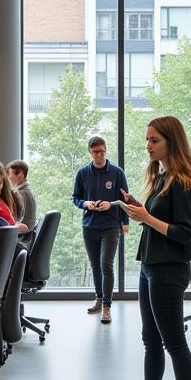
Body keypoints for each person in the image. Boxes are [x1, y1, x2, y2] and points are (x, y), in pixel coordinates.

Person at [117, 116, 191, 380]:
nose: (148, 146)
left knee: (174, 343)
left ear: (171, 142)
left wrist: (146, 217)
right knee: (150, 339)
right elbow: (160, 220)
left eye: (154, 140)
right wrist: (141, 209)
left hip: (168, 269)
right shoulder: (163, 177)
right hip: (151, 265)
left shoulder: (181, 181)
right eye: (148, 140)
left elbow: (184, 233)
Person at [72, 136, 129, 324]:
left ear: (106, 151)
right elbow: (76, 198)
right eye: (95, 152)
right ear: (90, 152)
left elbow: (125, 200)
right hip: (89, 225)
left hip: (111, 225)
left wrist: (111, 206)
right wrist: (86, 204)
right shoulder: (82, 173)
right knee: (95, 265)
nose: (99, 155)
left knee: (106, 264)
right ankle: (98, 298)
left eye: (102, 151)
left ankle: (107, 306)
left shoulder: (117, 172)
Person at [7, 159, 38, 234]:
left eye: (10, 174)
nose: (8, 177)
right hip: (28, 234)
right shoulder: (28, 191)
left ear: (20, 174)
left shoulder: (19, 193)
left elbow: (16, 219)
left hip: (21, 235)